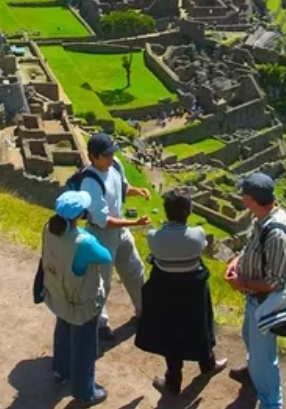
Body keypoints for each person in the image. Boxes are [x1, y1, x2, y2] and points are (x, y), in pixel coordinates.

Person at [136, 188, 228, 394]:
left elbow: (155, 257)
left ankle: (173, 380)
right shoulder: (197, 235)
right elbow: (202, 248)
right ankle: (207, 364)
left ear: (166, 211)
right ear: (189, 211)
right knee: (200, 326)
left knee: (171, 335)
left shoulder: (154, 238)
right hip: (192, 291)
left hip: (165, 291)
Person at [224, 172, 286, 409]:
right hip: (254, 299)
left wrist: (242, 283)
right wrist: (236, 261)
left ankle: (272, 403)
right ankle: (253, 373)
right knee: (248, 337)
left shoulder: (276, 234)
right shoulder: (261, 220)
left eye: (245, 196)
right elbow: (251, 248)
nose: (242, 199)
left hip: (265, 302)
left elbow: (277, 281)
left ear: (252, 200)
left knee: (265, 359)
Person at [41, 190, 113, 406]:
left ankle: (60, 373)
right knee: (84, 347)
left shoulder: (49, 229)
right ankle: (84, 392)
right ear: (79, 215)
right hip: (80, 301)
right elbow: (106, 257)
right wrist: (89, 236)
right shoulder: (84, 242)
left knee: (63, 332)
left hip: (58, 294)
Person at [78, 132, 151, 340]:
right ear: (94, 156)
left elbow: (122, 188)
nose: (111, 158)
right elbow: (104, 221)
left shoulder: (115, 165)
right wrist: (135, 223)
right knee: (102, 281)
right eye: (106, 155)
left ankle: (143, 311)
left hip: (120, 231)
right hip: (102, 234)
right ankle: (100, 323)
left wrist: (138, 191)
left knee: (135, 270)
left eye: (112, 153)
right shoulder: (90, 182)